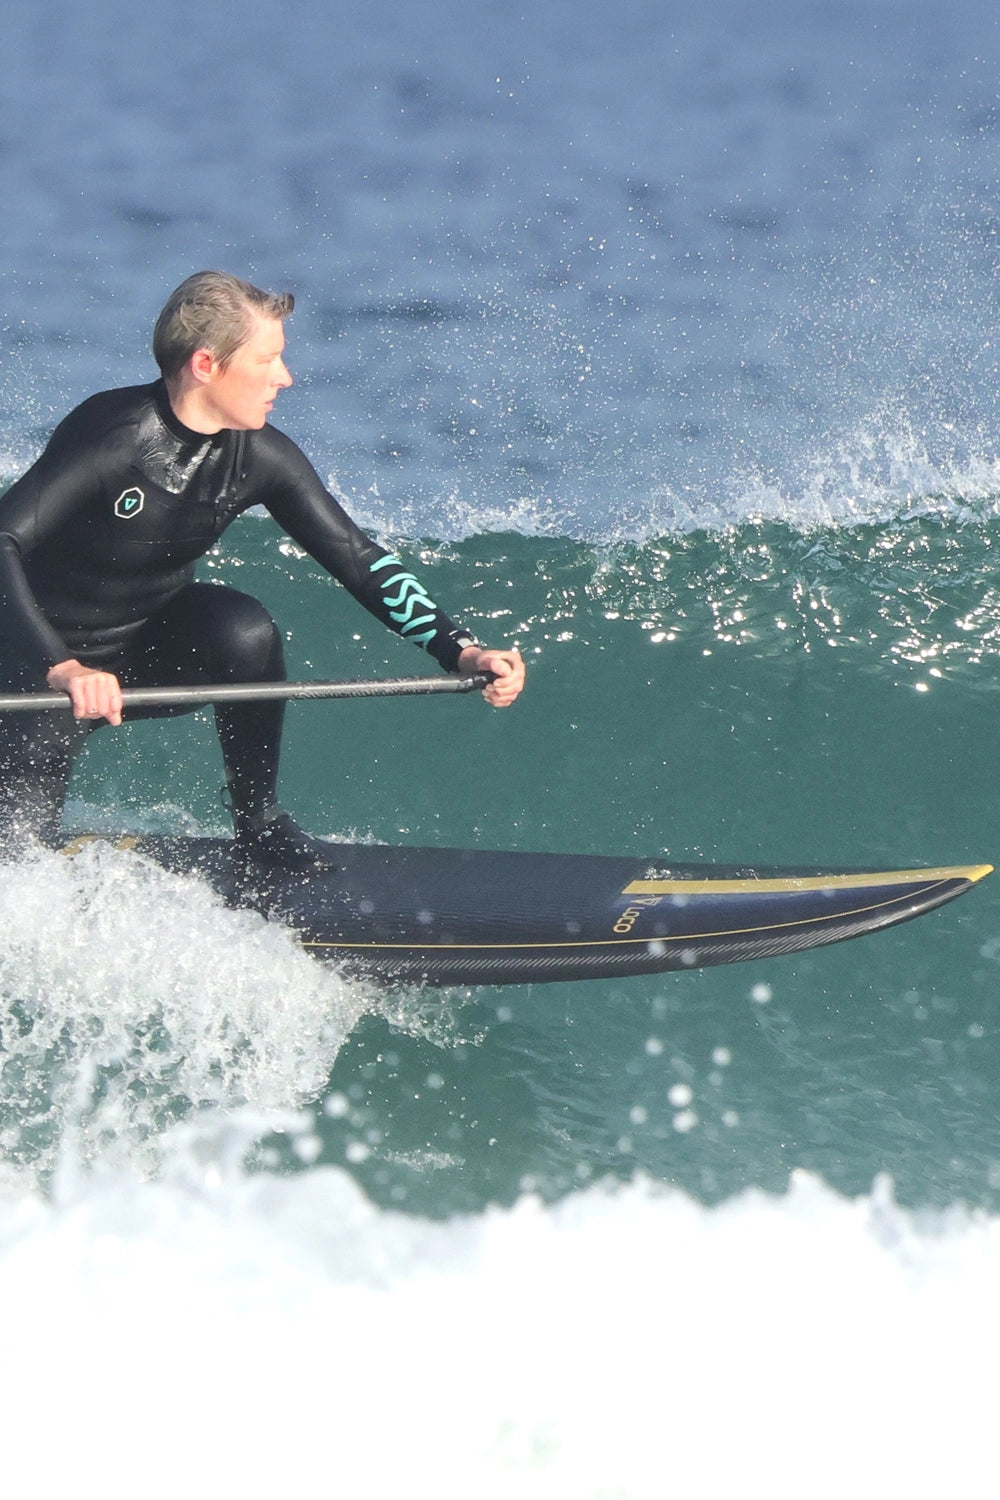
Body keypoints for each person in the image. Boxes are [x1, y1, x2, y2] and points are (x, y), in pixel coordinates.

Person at [0, 270, 525, 870]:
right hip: (24, 670)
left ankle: (260, 826)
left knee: (243, 631)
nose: (285, 377)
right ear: (207, 364)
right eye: (268, 359)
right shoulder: (112, 437)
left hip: (133, 658)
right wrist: (60, 666)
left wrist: (460, 649)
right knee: (18, 869)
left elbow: (356, 557)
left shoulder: (259, 456)